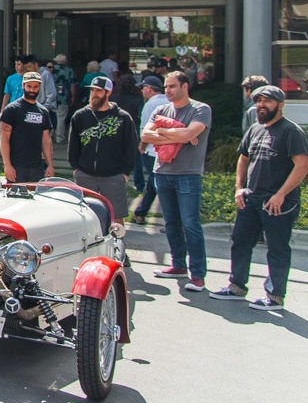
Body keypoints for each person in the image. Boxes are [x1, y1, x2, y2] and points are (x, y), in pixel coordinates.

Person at [210, 85, 308, 311]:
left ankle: (274, 297)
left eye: (268, 101)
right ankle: (236, 287)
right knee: (240, 242)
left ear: (280, 105)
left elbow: (302, 166)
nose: (262, 105)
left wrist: (280, 195)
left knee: (277, 249)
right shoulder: (255, 129)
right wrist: (239, 188)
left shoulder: (291, 131)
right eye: (259, 101)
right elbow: (243, 158)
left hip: (278, 204)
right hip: (251, 198)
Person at [141, 70, 212, 292]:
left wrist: (164, 132)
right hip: (162, 172)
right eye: (166, 86)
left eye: (172, 86)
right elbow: (145, 136)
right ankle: (178, 265)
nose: (168, 91)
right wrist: (179, 133)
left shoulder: (200, 109)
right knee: (170, 223)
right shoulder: (161, 109)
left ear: (185, 86)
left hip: (189, 174)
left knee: (190, 224)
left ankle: (198, 275)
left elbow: (187, 134)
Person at [67, 75, 139, 225]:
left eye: (98, 91)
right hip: (85, 174)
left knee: (116, 217)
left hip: (113, 175)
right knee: (84, 215)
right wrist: (75, 168)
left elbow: (131, 146)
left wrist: (125, 172)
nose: (94, 94)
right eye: (92, 90)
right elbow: (73, 144)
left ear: (108, 93)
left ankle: (118, 246)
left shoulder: (123, 118)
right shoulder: (80, 116)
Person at [0, 71, 54, 183]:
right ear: (23, 85)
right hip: (16, 166)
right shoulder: (11, 109)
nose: (32, 90)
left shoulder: (43, 111)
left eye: (35, 87)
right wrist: (7, 165)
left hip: (38, 167)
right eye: (29, 86)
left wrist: (50, 165)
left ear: (39, 87)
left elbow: (46, 140)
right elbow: (4, 139)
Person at [131, 75, 169, 224]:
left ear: (149, 89)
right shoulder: (169, 101)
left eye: (143, 88)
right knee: (153, 183)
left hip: (152, 150)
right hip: (168, 148)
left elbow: (145, 129)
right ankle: (141, 212)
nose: (141, 91)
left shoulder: (150, 105)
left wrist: (141, 147)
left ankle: (170, 218)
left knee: (156, 183)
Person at [51, 53, 76, 144]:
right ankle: (59, 137)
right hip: (64, 97)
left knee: (50, 116)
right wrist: (73, 96)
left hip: (51, 97)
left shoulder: (51, 69)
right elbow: (73, 84)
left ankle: (50, 133)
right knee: (61, 117)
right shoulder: (69, 70)